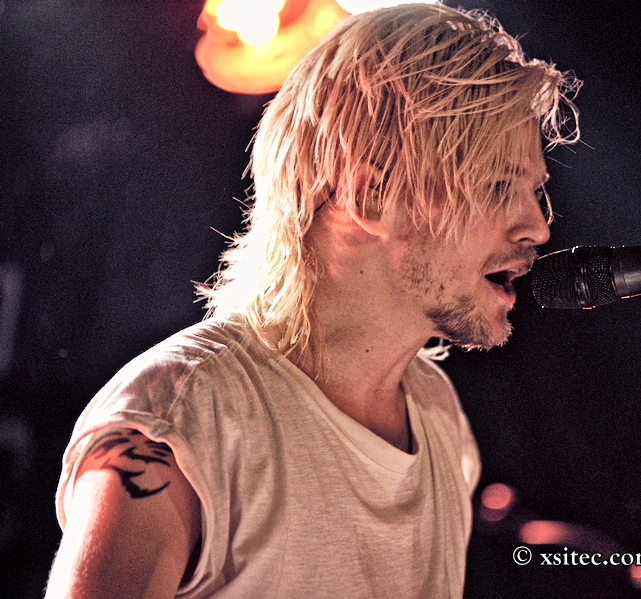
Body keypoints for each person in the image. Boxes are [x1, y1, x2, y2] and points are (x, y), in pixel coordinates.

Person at [45, 3, 580, 598]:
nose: (538, 226)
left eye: (534, 191)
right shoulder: (183, 416)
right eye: (497, 185)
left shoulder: (439, 416)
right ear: (372, 195)